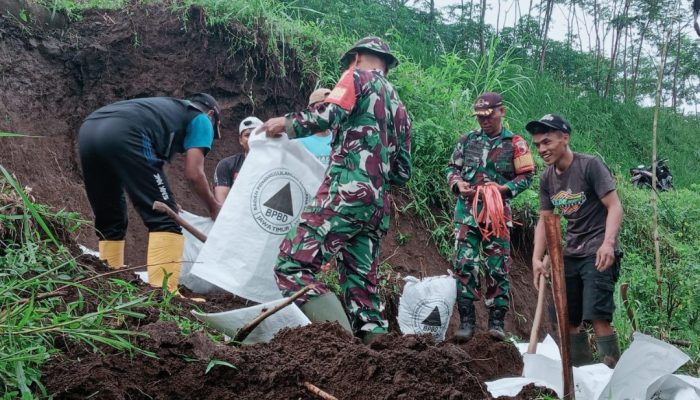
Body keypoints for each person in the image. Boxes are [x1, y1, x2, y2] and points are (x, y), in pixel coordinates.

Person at [260, 36, 412, 344]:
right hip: (376, 207)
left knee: (292, 265)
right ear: (387, 64)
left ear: (356, 57)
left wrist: (286, 124)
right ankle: (377, 356)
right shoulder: (400, 108)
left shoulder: (356, 76)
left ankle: (342, 347)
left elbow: (327, 115)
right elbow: (403, 171)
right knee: (362, 289)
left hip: (344, 194)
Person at [78, 94, 222, 292]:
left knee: (110, 216)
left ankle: (108, 284)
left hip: (89, 129)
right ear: (211, 114)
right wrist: (214, 207)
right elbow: (193, 174)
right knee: (165, 220)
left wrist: (166, 198)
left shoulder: (164, 112)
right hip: (127, 132)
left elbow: (146, 170)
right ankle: (164, 294)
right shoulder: (201, 118)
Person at [527, 113, 623, 368]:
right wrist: (537, 257)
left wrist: (608, 243)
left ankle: (611, 382)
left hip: (597, 251)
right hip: (571, 253)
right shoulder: (547, 178)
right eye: (537, 145)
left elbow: (614, 207)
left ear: (565, 138)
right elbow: (545, 220)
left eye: (547, 142)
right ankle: (580, 379)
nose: (542, 149)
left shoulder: (589, 166)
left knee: (598, 316)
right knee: (568, 318)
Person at [445, 92, 535, 341]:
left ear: (501, 112)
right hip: (467, 214)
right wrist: (458, 183)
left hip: (497, 215)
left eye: (488, 116)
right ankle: (466, 321)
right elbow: (452, 168)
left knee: (497, 267)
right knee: (464, 265)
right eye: (479, 117)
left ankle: (496, 322)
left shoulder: (515, 143)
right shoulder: (467, 140)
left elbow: (527, 175)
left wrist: (505, 189)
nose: (484, 121)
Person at [213, 116, 262, 203]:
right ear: (240, 140)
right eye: (247, 135)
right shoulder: (226, 165)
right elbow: (221, 203)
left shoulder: (277, 162)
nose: (252, 139)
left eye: (256, 134)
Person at [296, 88, 332, 166]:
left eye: (331, 106)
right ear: (310, 109)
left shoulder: (339, 138)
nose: (327, 110)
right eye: (323, 106)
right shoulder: (300, 142)